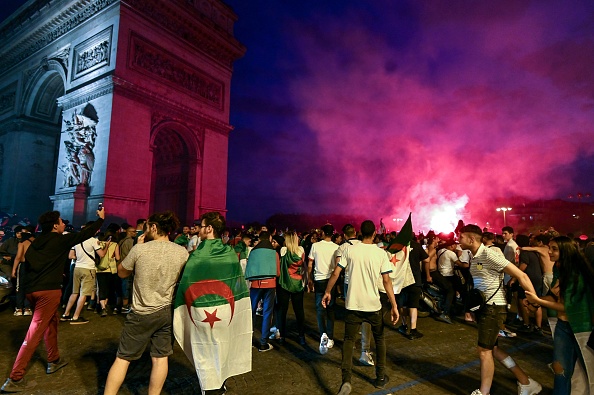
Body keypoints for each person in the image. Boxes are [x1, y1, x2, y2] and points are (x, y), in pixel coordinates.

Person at [1, 208, 105, 393]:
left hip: (32, 291)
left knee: (52, 323)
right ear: (55, 225)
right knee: (34, 332)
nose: (64, 224)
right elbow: (85, 233)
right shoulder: (60, 240)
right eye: (61, 221)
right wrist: (100, 220)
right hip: (49, 292)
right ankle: (15, 378)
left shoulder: (35, 242)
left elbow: (30, 264)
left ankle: (54, 360)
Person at [103, 211, 188, 395]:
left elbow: (122, 273)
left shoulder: (139, 250)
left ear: (154, 227)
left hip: (141, 312)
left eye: (147, 226)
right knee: (160, 358)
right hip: (166, 312)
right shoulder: (182, 252)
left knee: (123, 358)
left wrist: (138, 246)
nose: (144, 230)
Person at [173, 211, 252, 395]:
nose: (198, 229)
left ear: (209, 229)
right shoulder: (230, 253)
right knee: (223, 346)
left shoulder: (197, 256)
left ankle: (211, 389)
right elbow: (237, 282)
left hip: (201, 312)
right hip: (226, 310)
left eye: (201, 226)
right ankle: (220, 383)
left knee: (205, 351)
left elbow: (187, 284)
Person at [458, 224, 542, 395]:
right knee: (493, 349)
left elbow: (521, 275)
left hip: (494, 308)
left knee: (484, 351)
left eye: (461, 237)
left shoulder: (489, 254)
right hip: (485, 307)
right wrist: (473, 309)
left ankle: (484, 392)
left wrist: (534, 300)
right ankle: (526, 382)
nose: (458, 240)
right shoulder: (474, 256)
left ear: (471, 239)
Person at [322, 220, 399, 395]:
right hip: (373, 306)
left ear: (358, 233)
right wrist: (394, 305)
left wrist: (328, 291)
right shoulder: (380, 254)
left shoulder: (349, 249)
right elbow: (386, 281)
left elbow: (336, 272)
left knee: (349, 341)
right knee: (379, 340)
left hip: (353, 305)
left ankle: (346, 380)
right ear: (374, 234)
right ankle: (380, 377)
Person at [525, 236, 594, 394]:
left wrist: (538, 301)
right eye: (550, 247)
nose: (549, 251)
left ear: (566, 251)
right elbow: (555, 296)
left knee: (589, 371)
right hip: (563, 327)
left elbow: (566, 306)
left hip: (582, 327)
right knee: (560, 370)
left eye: (554, 249)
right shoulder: (558, 267)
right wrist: (536, 302)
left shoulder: (576, 272)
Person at [244, 231, 279, 352]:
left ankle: (249, 340)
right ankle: (264, 343)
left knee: (252, 311)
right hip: (270, 284)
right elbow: (278, 272)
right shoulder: (273, 253)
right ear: (269, 238)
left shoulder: (253, 251)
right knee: (267, 312)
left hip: (255, 284)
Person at [307, 224, 339, 354]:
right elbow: (338, 266)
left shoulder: (315, 246)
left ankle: (323, 334)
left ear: (323, 233)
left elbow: (310, 264)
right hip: (332, 280)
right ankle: (330, 337)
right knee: (331, 309)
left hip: (319, 280)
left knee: (320, 309)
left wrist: (309, 278)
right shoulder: (337, 248)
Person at [276, 231, 306, 345]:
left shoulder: (283, 251)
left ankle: (282, 335)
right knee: (299, 311)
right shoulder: (301, 250)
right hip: (298, 283)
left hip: (284, 283)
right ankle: (301, 336)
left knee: (282, 311)